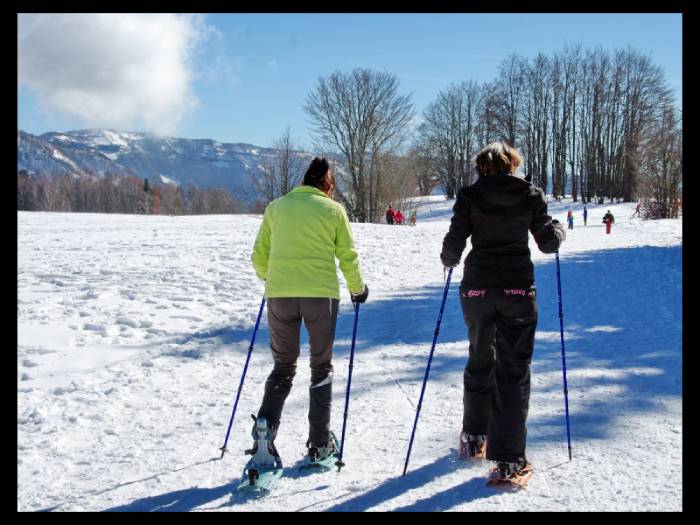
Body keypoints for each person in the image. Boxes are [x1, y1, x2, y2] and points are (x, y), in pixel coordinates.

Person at [440, 141, 565, 484]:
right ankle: (509, 461)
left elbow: (452, 246)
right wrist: (558, 229)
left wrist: (450, 259)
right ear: (512, 165)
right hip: (516, 291)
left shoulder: (469, 195)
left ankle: (475, 438)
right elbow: (547, 242)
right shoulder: (530, 194)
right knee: (512, 371)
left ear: (481, 167)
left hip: (477, 290)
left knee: (480, 357)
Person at [250, 156, 369, 463]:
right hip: (320, 297)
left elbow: (258, 256)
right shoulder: (333, 210)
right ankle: (318, 444)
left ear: (304, 181)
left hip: (280, 296)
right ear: (328, 186)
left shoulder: (276, 208)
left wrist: (270, 278)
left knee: (283, 366)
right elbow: (348, 256)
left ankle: (266, 427)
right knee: (321, 367)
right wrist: (358, 289)